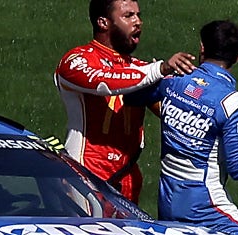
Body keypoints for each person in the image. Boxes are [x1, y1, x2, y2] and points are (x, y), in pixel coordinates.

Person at [126, 20, 238, 235]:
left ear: (202, 48)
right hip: (206, 206)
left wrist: (158, 70)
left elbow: (131, 94)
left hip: (168, 202)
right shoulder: (233, 103)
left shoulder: (173, 80)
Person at [54, 0, 196, 204]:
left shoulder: (141, 69)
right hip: (86, 175)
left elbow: (173, 113)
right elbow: (105, 82)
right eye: (128, 16)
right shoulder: (76, 60)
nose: (138, 22)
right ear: (103, 22)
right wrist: (160, 69)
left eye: (138, 15)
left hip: (128, 177)